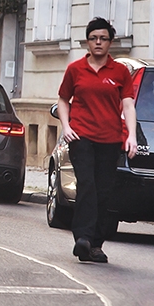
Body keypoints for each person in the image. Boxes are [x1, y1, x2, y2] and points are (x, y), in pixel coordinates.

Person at [57, 17, 138, 264]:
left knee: (104, 192)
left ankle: (95, 245)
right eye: (93, 38)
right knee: (87, 186)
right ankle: (82, 238)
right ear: (87, 42)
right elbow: (63, 99)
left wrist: (131, 136)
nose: (98, 42)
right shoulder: (75, 69)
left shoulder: (120, 72)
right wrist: (66, 126)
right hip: (82, 136)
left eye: (103, 38)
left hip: (110, 139)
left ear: (110, 42)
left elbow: (128, 104)